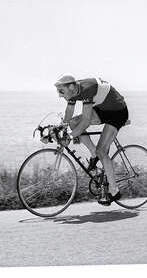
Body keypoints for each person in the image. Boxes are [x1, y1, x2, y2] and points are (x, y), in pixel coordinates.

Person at [53, 74, 129, 206]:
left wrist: (70, 137)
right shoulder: (73, 91)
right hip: (103, 109)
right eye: (58, 92)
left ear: (71, 86)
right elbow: (70, 110)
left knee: (102, 150)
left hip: (118, 112)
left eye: (61, 91)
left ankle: (114, 190)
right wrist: (63, 127)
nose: (60, 95)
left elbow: (86, 122)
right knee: (73, 122)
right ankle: (94, 154)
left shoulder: (87, 89)